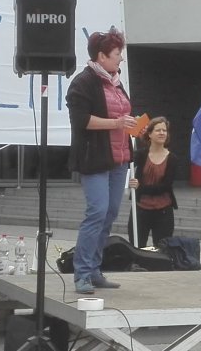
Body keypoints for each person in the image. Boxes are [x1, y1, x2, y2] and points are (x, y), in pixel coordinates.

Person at [67, 28, 137, 295]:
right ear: (102, 56)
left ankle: (94, 269)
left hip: (119, 158)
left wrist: (131, 124)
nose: (121, 58)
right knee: (97, 211)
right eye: (117, 54)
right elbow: (81, 120)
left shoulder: (116, 82)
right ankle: (82, 273)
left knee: (109, 213)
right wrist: (117, 123)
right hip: (95, 158)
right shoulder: (83, 82)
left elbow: (121, 116)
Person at [128, 117, 179, 248]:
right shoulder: (140, 155)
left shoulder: (172, 158)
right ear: (149, 134)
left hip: (163, 211)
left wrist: (140, 187)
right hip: (140, 208)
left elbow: (165, 186)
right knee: (136, 247)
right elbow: (126, 164)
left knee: (162, 249)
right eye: (158, 130)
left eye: (164, 130)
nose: (162, 133)